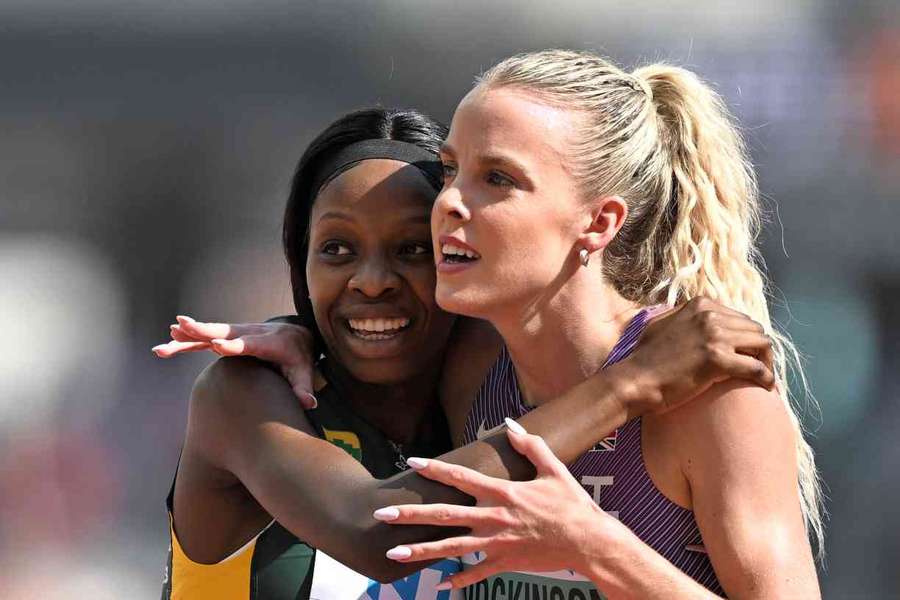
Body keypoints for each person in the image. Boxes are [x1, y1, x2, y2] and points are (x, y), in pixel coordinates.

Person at [155, 106, 779, 598]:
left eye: (412, 250)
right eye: (337, 250)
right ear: (301, 261)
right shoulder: (245, 397)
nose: (371, 281)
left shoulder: (479, 388)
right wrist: (633, 381)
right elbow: (377, 532)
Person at [364, 49, 822, 597]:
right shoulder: (469, 366)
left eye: (498, 178)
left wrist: (593, 546)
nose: (449, 203)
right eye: (450, 170)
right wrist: (292, 337)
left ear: (599, 221)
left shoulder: (711, 389)